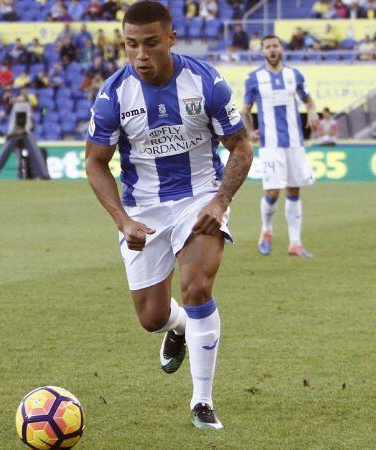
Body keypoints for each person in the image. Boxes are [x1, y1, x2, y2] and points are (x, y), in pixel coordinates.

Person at [85, 1, 253, 430]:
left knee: (197, 286)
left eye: (151, 44)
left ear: (171, 39)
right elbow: (95, 162)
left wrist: (219, 202)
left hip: (199, 196)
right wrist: (123, 220)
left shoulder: (206, 82)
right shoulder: (112, 95)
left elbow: (241, 146)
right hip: (144, 209)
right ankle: (176, 326)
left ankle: (202, 401)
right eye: (130, 45)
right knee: (151, 319)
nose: (140, 55)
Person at [242, 35, 318, 258]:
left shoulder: (294, 75)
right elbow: (245, 111)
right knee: (273, 192)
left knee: (294, 189)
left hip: (295, 144)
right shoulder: (254, 78)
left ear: (281, 49)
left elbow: (308, 100)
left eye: (275, 46)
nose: (272, 50)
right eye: (268, 47)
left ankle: (295, 243)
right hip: (270, 145)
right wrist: (248, 133)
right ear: (263, 51)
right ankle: (266, 231)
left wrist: (312, 110)